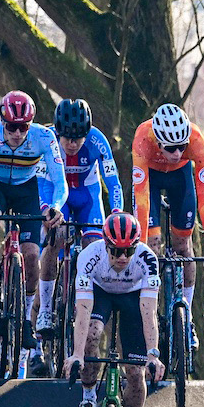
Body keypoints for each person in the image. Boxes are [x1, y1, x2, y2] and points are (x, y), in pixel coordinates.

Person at [65, 211, 164, 407]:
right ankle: (87, 397)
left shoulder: (147, 260)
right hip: (100, 293)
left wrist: (153, 353)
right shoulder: (89, 257)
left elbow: (148, 312)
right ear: (105, 244)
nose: (122, 258)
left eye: (128, 251)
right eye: (116, 251)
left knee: (135, 372)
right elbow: (84, 310)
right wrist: (77, 354)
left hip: (133, 298)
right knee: (93, 334)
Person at [0, 90, 67, 319]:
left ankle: (27, 317)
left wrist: (56, 206)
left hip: (26, 190)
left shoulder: (45, 136)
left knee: (30, 256)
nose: (18, 133)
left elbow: (61, 182)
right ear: (2, 122)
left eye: (24, 127)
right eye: (11, 127)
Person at [42, 97, 124, 342]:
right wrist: (47, 208)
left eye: (78, 138)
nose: (73, 143)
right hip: (57, 195)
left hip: (88, 197)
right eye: (67, 137)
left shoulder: (98, 141)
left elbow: (113, 182)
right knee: (54, 240)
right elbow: (39, 182)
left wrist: (117, 212)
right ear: (58, 132)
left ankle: (89, 305)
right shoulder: (47, 138)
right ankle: (45, 309)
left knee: (95, 248)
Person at [130, 103, 204, 259]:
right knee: (152, 245)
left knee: (183, 246)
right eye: (171, 148)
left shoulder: (196, 140)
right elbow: (141, 197)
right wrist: (142, 247)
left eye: (182, 146)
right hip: (152, 177)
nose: (177, 153)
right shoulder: (143, 138)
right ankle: (151, 283)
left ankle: (187, 285)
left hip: (180, 175)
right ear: (158, 143)